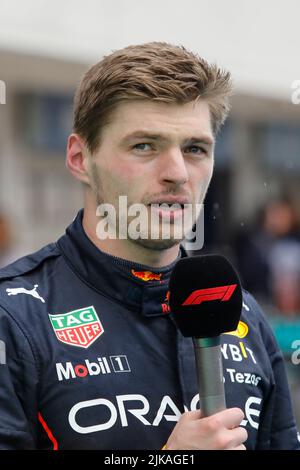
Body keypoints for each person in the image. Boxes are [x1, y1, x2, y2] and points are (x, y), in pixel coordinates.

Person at [0, 42, 299, 451]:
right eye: (144, 146)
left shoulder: (241, 312)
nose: (177, 173)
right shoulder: (13, 316)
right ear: (79, 158)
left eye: (195, 149)